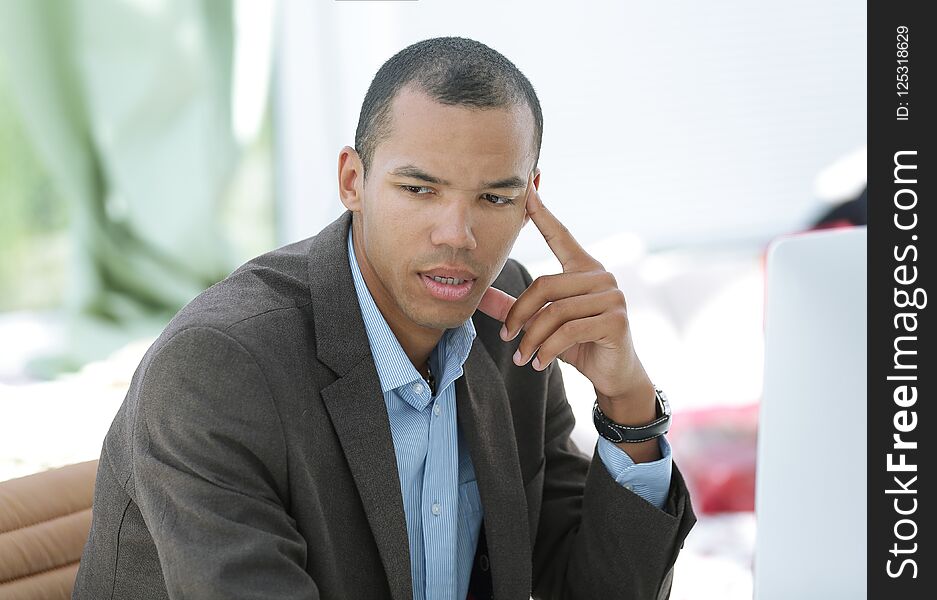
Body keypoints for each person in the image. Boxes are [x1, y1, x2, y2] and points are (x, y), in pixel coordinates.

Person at [73, 37, 696, 600]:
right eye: (419, 189)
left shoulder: (511, 322)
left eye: (495, 197)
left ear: (530, 195)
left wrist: (628, 400)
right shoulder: (217, 367)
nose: (458, 235)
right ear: (353, 180)